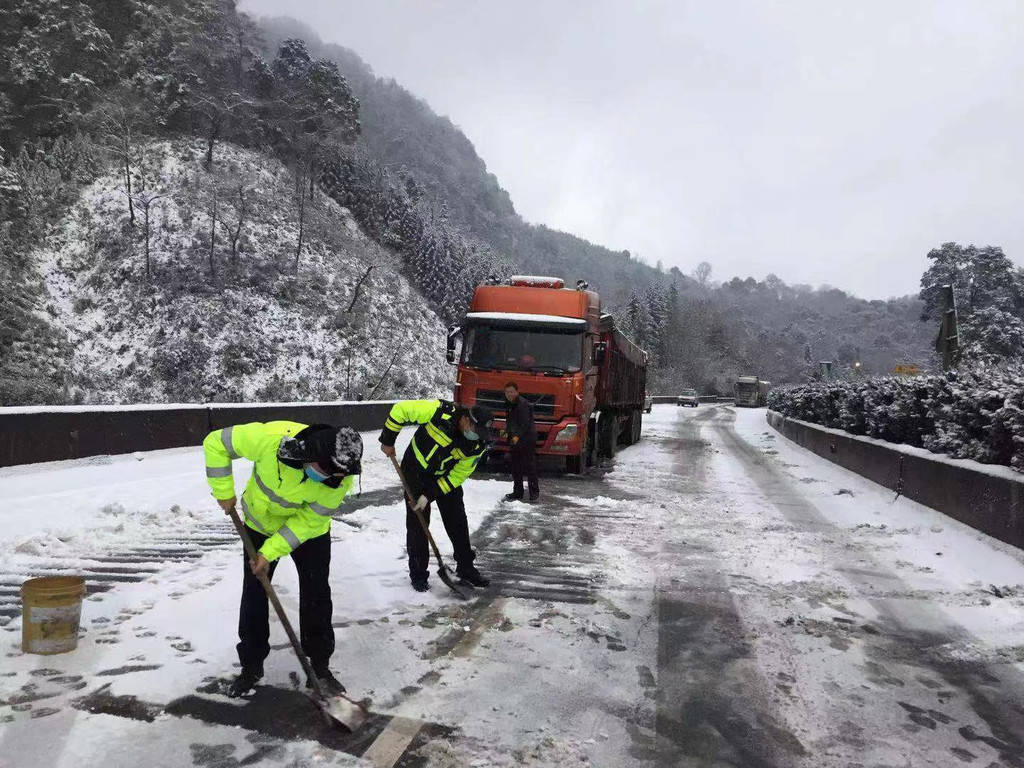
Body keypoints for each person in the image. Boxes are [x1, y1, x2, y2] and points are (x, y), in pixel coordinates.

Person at [203, 421, 363, 698]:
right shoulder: (268, 440)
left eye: (335, 475)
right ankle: (251, 666)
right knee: (254, 594)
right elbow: (216, 442)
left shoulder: (341, 475)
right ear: (310, 454)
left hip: (309, 532)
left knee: (316, 593)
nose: (328, 479)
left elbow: (309, 521)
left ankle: (320, 668)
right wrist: (223, 492)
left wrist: (270, 551)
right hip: (259, 525)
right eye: (324, 470)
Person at [379, 400, 493, 592]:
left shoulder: (477, 446)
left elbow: (457, 476)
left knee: (457, 520)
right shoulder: (440, 411)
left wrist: (430, 495)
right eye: (475, 429)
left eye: (480, 433)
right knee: (418, 522)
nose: (476, 436)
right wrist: (388, 440)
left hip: (444, 477)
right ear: (465, 418)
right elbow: (401, 410)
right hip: (415, 470)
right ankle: (418, 574)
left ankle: (466, 568)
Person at [502, 382, 539, 502]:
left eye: (511, 392)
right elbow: (510, 421)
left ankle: (534, 492)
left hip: (527, 438)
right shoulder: (509, 404)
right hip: (515, 439)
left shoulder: (523, 404)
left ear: (517, 392)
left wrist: (517, 436)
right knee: (515, 466)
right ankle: (518, 492)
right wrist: (507, 432)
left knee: (529, 466)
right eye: (507, 392)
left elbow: (524, 424)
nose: (509, 394)